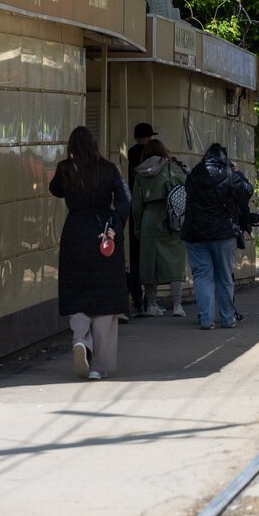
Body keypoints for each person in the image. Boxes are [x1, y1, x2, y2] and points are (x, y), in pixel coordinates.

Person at [48, 126, 131, 380]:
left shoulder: (65, 169)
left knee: (77, 293)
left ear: (71, 147)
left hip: (74, 234)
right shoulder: (108, 169)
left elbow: (55, 190)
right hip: (103, 235)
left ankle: (81, 340)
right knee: (105, 302)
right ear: (94, 145)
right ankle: (99, 366)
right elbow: (125, 199)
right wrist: (115, 228)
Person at [181, 144, 254, 330]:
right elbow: (247, 191)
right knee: (224, 277)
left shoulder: (196, 173)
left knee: (202, 277)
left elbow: (187, 192)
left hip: (195, 233)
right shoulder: (229, 173)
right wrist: (237, 172)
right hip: (223, 234)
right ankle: (228, 319)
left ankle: (206, 320)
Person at [131, 138, 188, 318]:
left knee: (149, 263)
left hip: (149, 218)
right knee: (175, 260)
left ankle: (151, 305)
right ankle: (178, 305)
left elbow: (136, 205)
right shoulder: (172, 167)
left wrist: (138, 228)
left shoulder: (140, 172)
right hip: (170, 217)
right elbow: (185, 187)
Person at [126, 122, 157, 318]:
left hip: (134, 209)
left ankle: (137, 299)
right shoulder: (155, 159)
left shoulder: (131, 155)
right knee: (152, 257)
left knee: (135, 256)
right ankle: (150, 300)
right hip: (153, 212)